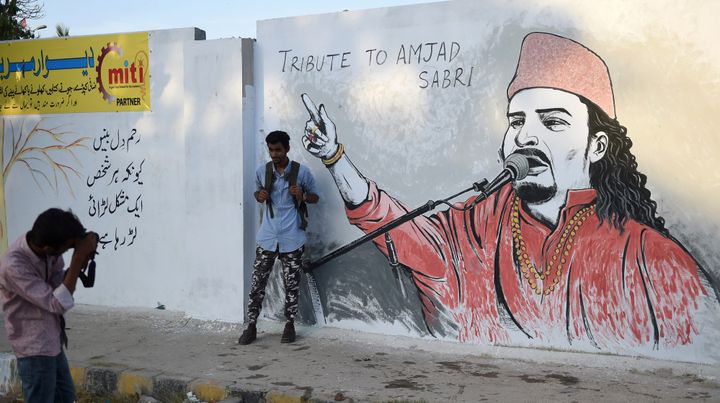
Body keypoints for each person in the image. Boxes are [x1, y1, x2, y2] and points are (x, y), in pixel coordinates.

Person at [300, 32, 719, 350]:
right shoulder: (475, 225)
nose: (524, 137)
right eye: (517, 121)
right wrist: (335, 157)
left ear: (597, 145)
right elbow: (396, 226)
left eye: (552, 122)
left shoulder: (653, 262)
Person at [0, 208, 98, 403]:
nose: (68, 253)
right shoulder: (14, 266)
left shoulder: (48, 248)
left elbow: (56, 284)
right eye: (67, 248)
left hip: (52, 340)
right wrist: (78, 260)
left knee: (65, 398)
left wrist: (79, 257)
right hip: (34, 348)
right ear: (47, 249)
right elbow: (56, 303)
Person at [239, 130, 320, 345]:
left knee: (291, 284)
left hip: (292, 236)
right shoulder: (262, 172)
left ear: (287, 149)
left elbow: (315, 197)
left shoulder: (302, 173)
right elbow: (257, 193)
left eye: (278, 150)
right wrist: (260, 195)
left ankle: (290, 325)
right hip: (267, 235)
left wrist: (302, 196)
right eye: (271, 150)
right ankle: (252, 325)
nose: (274, 154)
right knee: (258, 283)